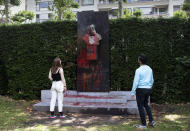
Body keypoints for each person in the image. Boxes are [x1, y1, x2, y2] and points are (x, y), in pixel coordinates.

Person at [130, 54, 156, 129]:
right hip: (148, 89)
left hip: (141, 90)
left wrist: (132, 92)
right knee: (146, 104)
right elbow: (152, 80)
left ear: (140, 61)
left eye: (138, 59)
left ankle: (143, 125)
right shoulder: (150, 69)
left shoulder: (138, 70)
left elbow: (135, 82)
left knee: (140, 106)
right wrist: (149, 87)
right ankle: (151, 121)